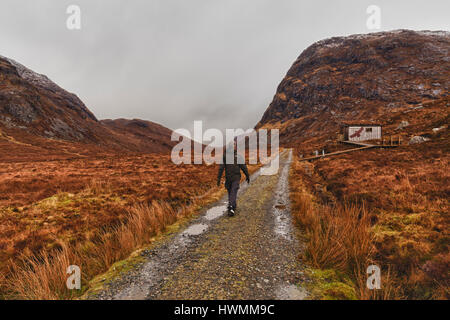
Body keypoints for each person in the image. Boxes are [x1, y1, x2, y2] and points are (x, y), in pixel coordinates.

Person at [217, 140, 250, 216]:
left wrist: (247, 175)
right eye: (234, 144)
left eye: (235, 144)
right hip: (229, 178)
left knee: (233, 192)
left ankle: (231, 207)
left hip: (235, 178)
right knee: (231, 192)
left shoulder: (237, 156)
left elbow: (243, 166)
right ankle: (232, 206)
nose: (234, 146)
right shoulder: (226, 156)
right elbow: (221, 168)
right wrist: (219, 179)